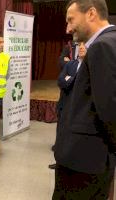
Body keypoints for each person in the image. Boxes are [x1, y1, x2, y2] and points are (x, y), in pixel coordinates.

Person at [53, 0, 116, 199]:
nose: (68, 28)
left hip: (84, 161)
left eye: (71, 20)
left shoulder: (102, 47)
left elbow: (109, 109)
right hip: (95, 159)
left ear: (91, 13)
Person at [49, 42, 87, 170]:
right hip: (64, 105)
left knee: (74, 138)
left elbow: (82, 87)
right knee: (61, 134)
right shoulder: (71, 64)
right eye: (80, 46)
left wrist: (69, 79)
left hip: (79, 109)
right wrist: (72, 80)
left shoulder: (91, 67)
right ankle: (60, 162)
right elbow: (60, 81)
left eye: (85, 46)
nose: (81, 48)